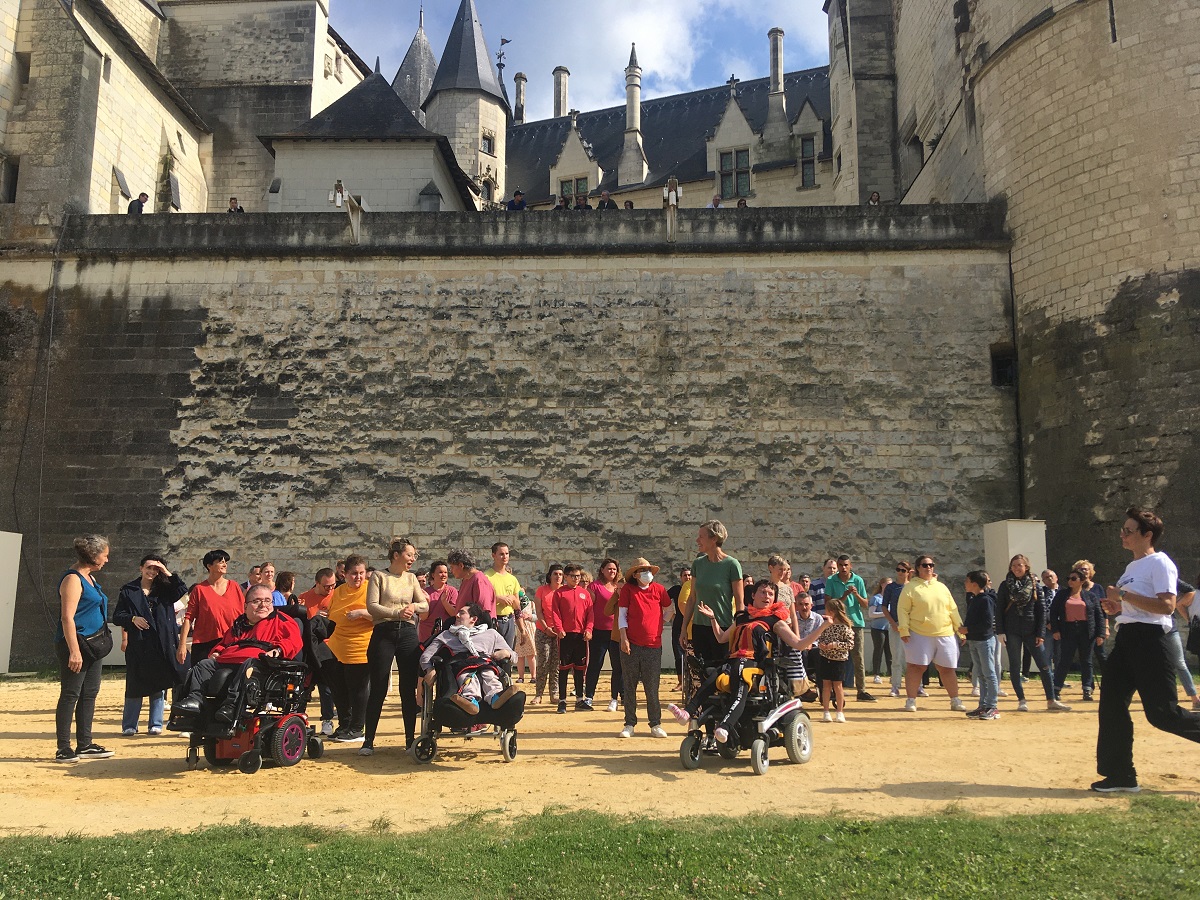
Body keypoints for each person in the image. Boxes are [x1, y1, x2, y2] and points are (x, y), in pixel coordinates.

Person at [1093, 507, 1200, 792]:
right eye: (1123, 530)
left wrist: (1124, 595)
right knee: (1111, 704)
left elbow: (1166, 606)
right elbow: (1138, 604)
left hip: (1151, 641)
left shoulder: (1160, 563)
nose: (1122, 535)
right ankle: (1120, 775)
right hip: (1126, 637)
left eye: (1128, 530)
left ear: (1147, 535)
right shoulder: (1131, 568)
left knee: (1162, 714)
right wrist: (1118, 607)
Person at [672, 580, 829, 739]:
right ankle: (687, 713)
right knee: (712, 675)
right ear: (753, 595)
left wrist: (822, 626)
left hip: (753, 664)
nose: (767, 596)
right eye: (763, 592)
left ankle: (725, 726)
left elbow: (799, 644)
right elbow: (721, 638)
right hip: (733, 660)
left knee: (738, 674)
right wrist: (713, 619)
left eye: (770, 594)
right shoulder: (742, 618)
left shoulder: (775, 621)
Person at [171, 585, 303, 722]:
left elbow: (294, 641)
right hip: (229, 659)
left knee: (249, 664)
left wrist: (278, 650)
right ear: (245, 606)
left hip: (260, 663)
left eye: (268, 600)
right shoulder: (240, 623)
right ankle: (195, 700)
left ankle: (232, 705)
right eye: (257, 601)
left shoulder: (282, 620)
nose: (263, 605)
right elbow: (224, 642)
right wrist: (216, 652)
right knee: (204, 665)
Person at [362, 539, 429, 756]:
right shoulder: (379, 577)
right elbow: (372, 607)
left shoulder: (411, 579)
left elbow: (425, 604)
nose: (413, 559)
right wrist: (396, 613)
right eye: (410, 554)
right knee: (378, 688)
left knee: (407, 689)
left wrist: (412, 607)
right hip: (384, 632)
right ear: (397, 555)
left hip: (408, 633)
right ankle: (368, 740)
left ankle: (410, 740)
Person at [54, 534, 115, 762]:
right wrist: (74, 651)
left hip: (93, 645)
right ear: (93, 555)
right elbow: (66, 618)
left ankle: (85, 744)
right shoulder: (73, 579)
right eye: (104, 555)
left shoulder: (89, 577)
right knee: (70, 694)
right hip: (76, 643)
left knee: (89, 694)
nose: (106, 560)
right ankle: (63, 747)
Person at [113, 555, 187, 736]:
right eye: (149, 568)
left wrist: (166, 572)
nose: (152, 572)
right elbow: (117, 616)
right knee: (135, 685)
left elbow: (182, 589)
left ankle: (155, 723)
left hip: (162, 643)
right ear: (141, 568)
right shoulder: (128, 590)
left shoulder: (165, 589)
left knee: (159, 685)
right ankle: (129, 724)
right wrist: (132, 618)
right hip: (139, 643)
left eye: (156, 569)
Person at [997, 554, 1069, 712]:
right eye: (1014, 565)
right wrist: (1000, 631)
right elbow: (999, 609)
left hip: (1031, 630)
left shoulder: (1036, 585)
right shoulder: (1005, 585)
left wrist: (1041, 634)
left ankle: (1051, 700)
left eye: (1020, 565)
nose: (1017, 568)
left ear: (1026, 567)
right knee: (1015, 667)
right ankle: (1021, 700)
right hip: (1012, 630)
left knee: (1044, 665)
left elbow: (1042, 611)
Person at [418, 604, 518, 714]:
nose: (456, 615)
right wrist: (429, 669)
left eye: (461, 613)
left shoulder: (491, 634)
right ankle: (470, 701)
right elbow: (426, 656)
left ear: (473, 619)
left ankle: (496, 697)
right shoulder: (446, 634)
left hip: (485, 662)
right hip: (460, 664)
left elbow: (514, 656)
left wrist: (506, 652)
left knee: (488, 674)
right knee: (468, 677)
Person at [897, 554, 965, 712]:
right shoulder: (910, 588)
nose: (929, 568)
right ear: (918, 568)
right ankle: (911, 701)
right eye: (925, 565)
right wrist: (904, 630)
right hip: (919, 633)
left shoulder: (942, 587)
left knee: (947, 668)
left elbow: (952, 609)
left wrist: (959, 630)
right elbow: (902, 610)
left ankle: (955, 700)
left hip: (945, 632)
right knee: (916, 667)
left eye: (931, 565)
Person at [615, 558, 672, 738]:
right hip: (632, 643)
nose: (647, 573)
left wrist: (659, 623)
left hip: (653, 645)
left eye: (648, 569)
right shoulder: (628, 590)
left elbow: (670, 609)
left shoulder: (659, 590)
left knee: (652, 686)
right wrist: (624, 638)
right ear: (635, 574)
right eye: (642, 570)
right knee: (629, 685)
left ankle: (655, 723)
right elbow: (622, 616)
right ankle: (629, 723)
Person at [324, 554, 374, 743]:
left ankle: (357, 728)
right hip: (338, 645)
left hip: (360, 645)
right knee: (339, 688)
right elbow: (333, 613)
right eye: (354, 574)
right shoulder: (338, 591)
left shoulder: (371, 590)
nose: (358, 578)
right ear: (345, 574)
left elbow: (381, 614)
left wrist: (362, 613)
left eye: (361, 573)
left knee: (358, 689)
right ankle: (344, 724)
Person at [178, 550, 245, 666]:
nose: (225, 565)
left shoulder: (234, 586)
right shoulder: (199, 590)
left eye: (226, 562)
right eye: (220, 562)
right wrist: (182, 645)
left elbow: (244, 614)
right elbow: (188, 618)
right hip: (204, 643)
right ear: (209, 566)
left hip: (231, 641)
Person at [824, 555, 876, 701]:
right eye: (840, 565)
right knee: (834, 656)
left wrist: (856, 594)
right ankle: (835, 690)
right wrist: (844, 595)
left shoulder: (858, 580)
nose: (843, 568)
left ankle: (861, 690)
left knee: (858, 657)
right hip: (837, 624)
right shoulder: (831, 580)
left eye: (846, 565)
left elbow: (865, 604)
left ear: (850, 566)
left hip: (856, 623)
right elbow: (829, 603)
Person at [1050, 568, 1105, 702]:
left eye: (1073, 579)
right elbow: (1053, 613)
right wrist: (1055, 630)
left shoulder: (1090, 596)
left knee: (1086, 661)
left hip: (1086, 631)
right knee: (1065, 660)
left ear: (1081, 581)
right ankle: (1056, 689)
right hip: (1068, 630)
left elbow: (1099, 615)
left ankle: (1087, 690)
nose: (1070, 581)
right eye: (1068, 578)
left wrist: (1100, 634)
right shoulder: (1062, 595)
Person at [545, 564, 593, 713]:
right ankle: (562, 700)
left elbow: (590, 614)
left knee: (579, 668)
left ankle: (580, 699)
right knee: (564, 668)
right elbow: (556, 613)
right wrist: (559, 629)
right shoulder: (559, 593)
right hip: (565, 635)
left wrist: (589, 629)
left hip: (581, 635)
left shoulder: (585, 594)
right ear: (566, 577)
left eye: (578, 576)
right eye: (573, 576)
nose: (576, 579)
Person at [298, 567, 338, 735]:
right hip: (309, 648)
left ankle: (327, 720)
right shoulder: (303, 598)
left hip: (329, 647)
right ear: (317, 583)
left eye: (333, 585)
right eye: (326, 586)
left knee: (326, 687)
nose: (330, 589)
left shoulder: (337, 596)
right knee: (303, 686)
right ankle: (300, 719)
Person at [960, 570, 1000, 720]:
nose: (965, 584)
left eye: (967, 581)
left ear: (975, 584)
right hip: (975, 640)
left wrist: (968, 629)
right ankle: (983, 705)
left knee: (989, 674)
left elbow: (987, 624)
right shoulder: (974, 598)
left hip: (984, 640)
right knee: (981, 674)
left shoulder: (986, 600)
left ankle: (992, 706)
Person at [584, 558, 621, 711]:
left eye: (614, 569)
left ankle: (615, 698)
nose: (612, 572)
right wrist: (589, 629)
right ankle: (589, 697)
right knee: (595, 664)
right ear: (602, 570)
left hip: (616, 632)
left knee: (618, 666)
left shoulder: (620, 587)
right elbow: (588, 609)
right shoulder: (594, 587)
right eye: (609, 569)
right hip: (599, 632)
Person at [533, 565, 564, 704]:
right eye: (555, 574)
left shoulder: (564, 591)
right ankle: (539, 694)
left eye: (560, 574)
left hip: (560, 633)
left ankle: (554, 693)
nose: (558, 577)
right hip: (543, 631)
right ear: (550, 576)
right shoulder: (542, 590)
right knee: (543, 661)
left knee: (556, 663)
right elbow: (539, 612)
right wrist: (546, 628)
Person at [486, 542, 522, 648]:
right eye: (501, 554)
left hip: (510, 622)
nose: (504, 557)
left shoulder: (512, 579)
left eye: (506, 554)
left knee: (508, 656)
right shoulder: (486, 577)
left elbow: (517, 608)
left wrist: (522, 630)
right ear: (493, 555)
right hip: (493, 621)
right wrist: (497, 598)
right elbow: (481, 601)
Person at [418, 560, 458, 647]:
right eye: (440, 572)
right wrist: (427, 602)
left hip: (446, 635)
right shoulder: (425, 592)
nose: (443, 575)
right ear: (433, 575)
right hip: (427, 634)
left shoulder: (452, 591)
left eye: (445, 572)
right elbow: (422, 617)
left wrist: (444, 601)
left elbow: (454, 614)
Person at [448, 549, 495, 617]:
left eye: (452, 567)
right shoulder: (466, 580)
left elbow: (483, 613)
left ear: (461, 565)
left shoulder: (479, 581)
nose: (451, 571)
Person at [667, 565, 692, 692]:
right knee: (678, 655)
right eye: (685, 575)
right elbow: (663, 599)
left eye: (689, 575)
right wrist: (669, 613)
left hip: (693, 626)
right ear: (681, 578)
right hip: (678, 625)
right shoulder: (676, 589)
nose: (687, 577)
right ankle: (681, 682)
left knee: (692, 655)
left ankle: (692, 682)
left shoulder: (696, 588)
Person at [868, 577, 892, 683]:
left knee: (890, 651)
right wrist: (885, 613)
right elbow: (871, 614)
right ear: (882, 585)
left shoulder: (892, 599)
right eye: (887, 584)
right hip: (878, 628)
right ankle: (876, 674)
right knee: (879, 650)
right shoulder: (876, 598)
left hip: (889, 628)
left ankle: (892, 674)